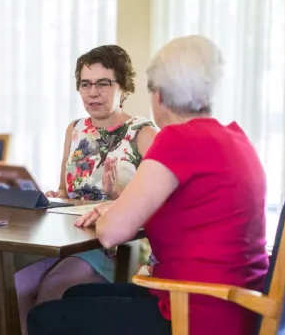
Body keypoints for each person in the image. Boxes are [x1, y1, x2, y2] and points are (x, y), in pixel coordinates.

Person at [27, 35, 269, 335]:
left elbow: (111, 232)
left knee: (44, 318)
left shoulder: (175, 140)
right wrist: (118, 203)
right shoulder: (236, 137)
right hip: (237, 305)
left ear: (160, 95)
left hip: (193, 312)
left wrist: (112, 210)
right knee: (74, 297)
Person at [16, 44, 158, 332]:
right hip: (67, 238)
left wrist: (120, 197)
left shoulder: (144, 133)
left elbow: (158, 201)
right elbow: (65, 191)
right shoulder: (75, 129)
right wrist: (55, 196)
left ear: (124, 86)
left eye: (103, 84)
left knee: (54, 290)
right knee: (16, 284)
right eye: (85, 84)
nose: (93, 93)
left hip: (114, 244)